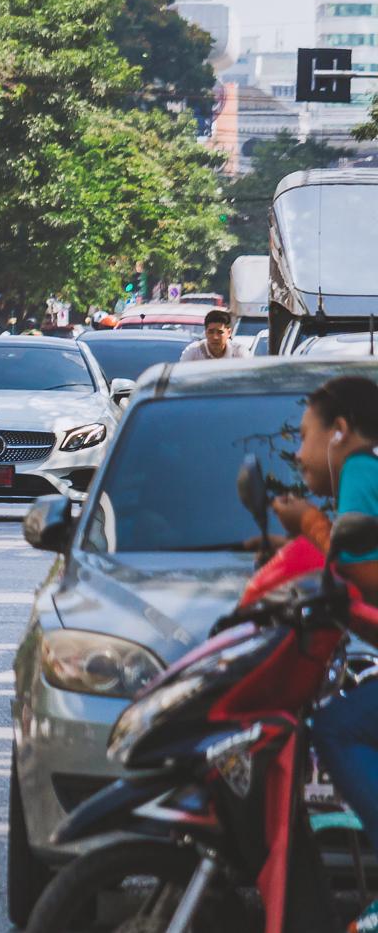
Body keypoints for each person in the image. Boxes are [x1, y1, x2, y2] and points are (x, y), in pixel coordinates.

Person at [272, 375, 378, 933]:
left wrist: (307, 524)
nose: (297, 450)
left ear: (340, 433)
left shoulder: (361, 469)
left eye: (305, 435)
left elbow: (360, 566)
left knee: (337, 728)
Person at [178, 308, 251, 362]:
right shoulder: (193, 352)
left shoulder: (240, 353)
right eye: (211, 332)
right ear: (205, 332)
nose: (215, 337)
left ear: (229, 333)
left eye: (220, 332)